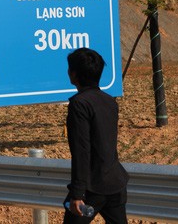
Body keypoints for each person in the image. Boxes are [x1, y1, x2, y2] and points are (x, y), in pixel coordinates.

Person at [63, 48, 129, 224]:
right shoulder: (110, 101)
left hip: (91, 189)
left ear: (74, 74)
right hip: (115, 184)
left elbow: (81, 151)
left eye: (69, 69)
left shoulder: (79, 104)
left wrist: (77, 193)